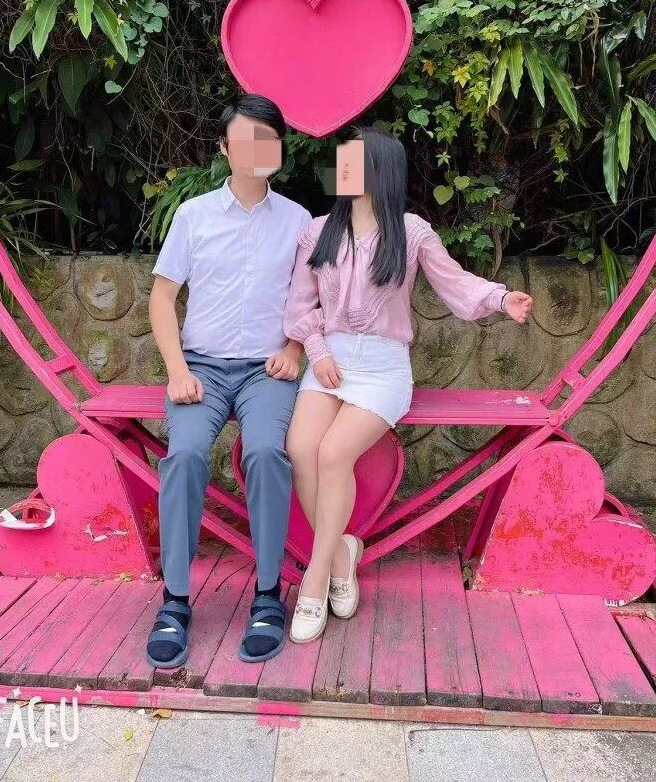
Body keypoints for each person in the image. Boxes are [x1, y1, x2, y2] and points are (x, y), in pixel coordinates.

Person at [282, 127, 533, 643]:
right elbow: (299, 307)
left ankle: (315, 576)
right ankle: (341, 556)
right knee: (301, 449)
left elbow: (455, 282)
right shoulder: (318, 231)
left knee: (333, 454)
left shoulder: (411, 231)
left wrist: (500, 298)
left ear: (380, 170)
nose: (340, 167)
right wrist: (319, 353)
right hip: (328, 362)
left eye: (351, 160)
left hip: (383, 369)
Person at [146, 94, 311, 668]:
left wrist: (294, 349)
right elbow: (162, 298)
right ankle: (174, 600)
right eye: (246, 139)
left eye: (269, 138)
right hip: (202, 368)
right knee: (185, 455)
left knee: (266, 452)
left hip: (268, 370)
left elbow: (310, 299)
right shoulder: (193, 216)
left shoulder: (298, 222)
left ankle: (268, 594)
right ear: (224, 148)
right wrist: (177, 371)